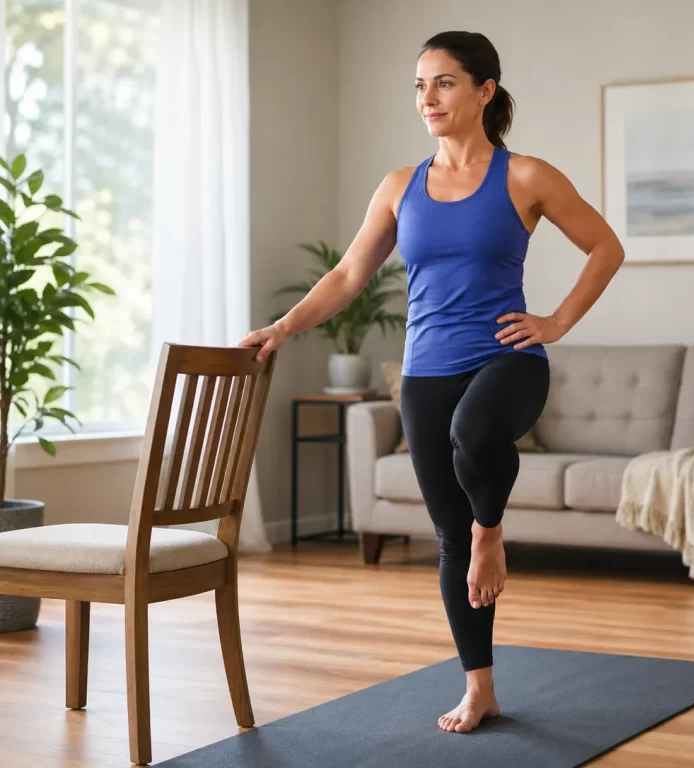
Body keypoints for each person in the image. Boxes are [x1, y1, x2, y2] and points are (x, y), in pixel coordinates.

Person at [239, 30, 624, 734]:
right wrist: (285, 327)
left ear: (485, 91)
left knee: (473, 436)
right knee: (448, 538)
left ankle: (492, 528)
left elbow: (606, 246)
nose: (428, 98)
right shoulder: (400, 186)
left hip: (508, 359)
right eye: (420, 85)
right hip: (425, 373)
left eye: (444, 82)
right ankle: (480, 685)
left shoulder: (526, 176)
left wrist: (558, 321)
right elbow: (349, 276)